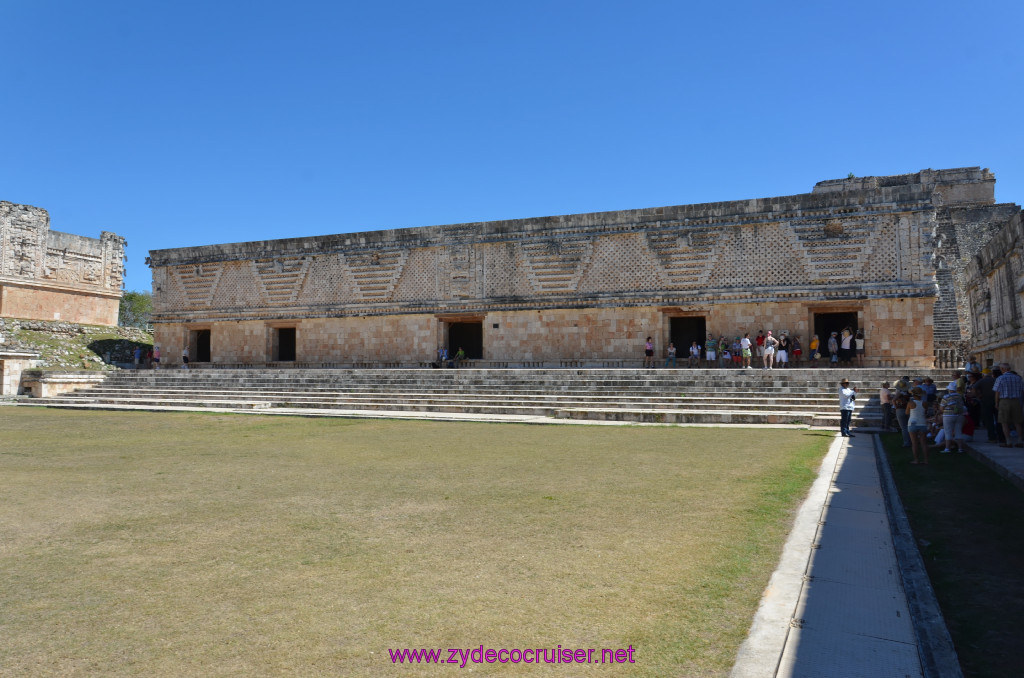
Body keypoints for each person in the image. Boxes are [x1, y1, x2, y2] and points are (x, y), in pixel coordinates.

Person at [993, 363, 1024, 448]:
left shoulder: (1000, 378)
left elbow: (997, 392)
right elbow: (1022, 390)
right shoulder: (1018, 378)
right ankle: (1020, 440)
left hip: (1004, 401)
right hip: (1016, 401)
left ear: (1003, 369)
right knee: (1018, 422)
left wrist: (996, 403)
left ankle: (1008, 441)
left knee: (1004, 422)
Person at [938, 383, 966, 453]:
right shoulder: (960, 396)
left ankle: (947, 448)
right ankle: (960, 448)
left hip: (948, 415)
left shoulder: (946, 396)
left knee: (948, 432)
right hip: (959, 415)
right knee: (958, 432)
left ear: (949, 389)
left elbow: (941, 408)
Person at [906, 386, 930, 464]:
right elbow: (925, 412)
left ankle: (916, 460)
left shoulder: (910, 403)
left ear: (913, 394)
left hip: (912, 423)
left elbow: (907, 413)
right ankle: (926, 460)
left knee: (914, 443)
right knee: (924, 443)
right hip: (922, 423)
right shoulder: (925, 403)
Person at [892, 379, 912, 448]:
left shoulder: (899, 392)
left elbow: (893, 400)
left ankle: (906, 442)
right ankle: (911, 441)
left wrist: (896, 407)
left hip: (900, 410)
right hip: (908, 409)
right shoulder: (909, 392)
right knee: (909, 426)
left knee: (903, 427)